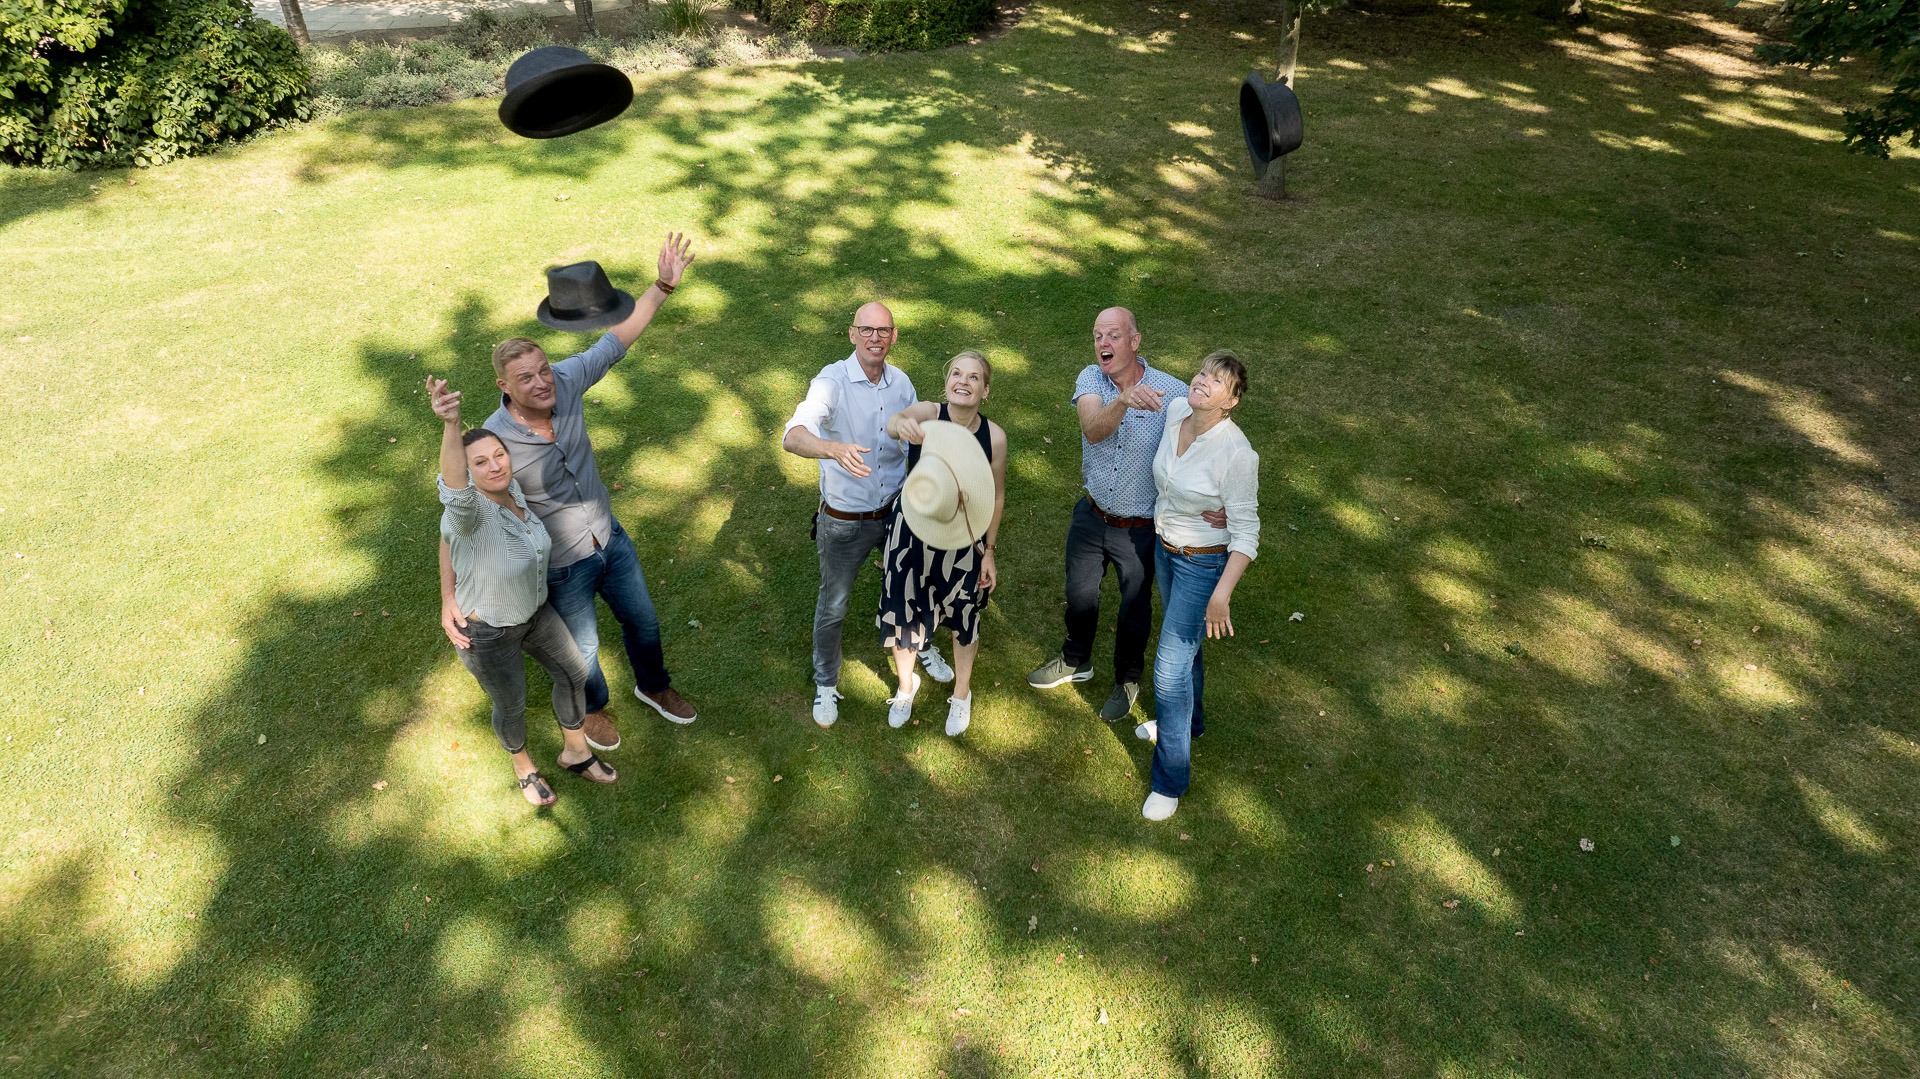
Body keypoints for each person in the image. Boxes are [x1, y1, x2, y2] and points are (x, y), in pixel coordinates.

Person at [442, 234, 701, 749]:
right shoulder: (495, 443)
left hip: (611, 539)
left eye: (542, 370)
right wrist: (448, 594)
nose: (542, 382)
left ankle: (655, 687)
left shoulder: (567, 379)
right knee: (582, 651)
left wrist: (664, 285)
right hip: (561, 562)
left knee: (644, 623)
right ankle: (593, 709)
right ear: (504, 386)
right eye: (526, 378)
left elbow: (616, 341)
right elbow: (457, 519)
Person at [1027, 307, 1223, 721]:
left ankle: (1127, 680)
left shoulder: (1171, 392)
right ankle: (1076, 660)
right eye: (1098, 335)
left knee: (1134, 608)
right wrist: (1123, 400)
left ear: (1135, 341)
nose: (1103, 344)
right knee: (1079, 595)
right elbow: (1093, 429)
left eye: (1114, 335)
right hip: (1092, 515)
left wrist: (1219, 502)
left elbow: (1210, 442)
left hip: (1140, 527)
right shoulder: (1091, 379)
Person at [428, 375, 616, 807]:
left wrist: (445, 593)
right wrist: (451, 425)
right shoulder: (469, 510)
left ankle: (575, 752)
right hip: (487, 631)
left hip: (535, 612)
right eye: (480, 463)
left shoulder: (511, 489)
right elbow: (452, 510)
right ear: (468, 473)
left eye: (499, 455)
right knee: (511, 705)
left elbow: (445, 541)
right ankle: (524, 768)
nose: (495, 466)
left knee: (574, 673)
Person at [782, 302, 956, 728]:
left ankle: (922, 646)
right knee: (834, 605)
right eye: (867, 330)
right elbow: (793, 436)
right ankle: (826, 683)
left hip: (898, 511)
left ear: (894, 336)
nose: (876, 337)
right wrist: (832, 448)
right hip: (845, 519)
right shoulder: (831, 382)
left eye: (884, 330)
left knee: (915, 588)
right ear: (852, 334)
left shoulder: (901, 384)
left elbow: (916, 435)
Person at [1135, 350, 1259, 821]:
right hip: (1165, 551)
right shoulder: (1176, 411)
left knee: (1169, 669)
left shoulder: (1237, 454)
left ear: (1231, 402)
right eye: (1202, 373)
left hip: (1202, 564)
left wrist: (1221, 596)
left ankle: (1170, 779)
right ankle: (1191, 724)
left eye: (1217, 381)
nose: (1203, 383)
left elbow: (1246, 533)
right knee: (1187, 654)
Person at [879, 351, 1007, 736]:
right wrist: (902, 425)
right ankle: (905, 686)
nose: (963, 382)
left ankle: (962, 694)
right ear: (946, 383)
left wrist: (990, 552)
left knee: (963, 619)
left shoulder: (993, 436)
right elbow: (893, 423)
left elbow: (997, 496)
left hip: (962, 539)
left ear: (985, 389)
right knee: (904, 614)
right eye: (956, 374)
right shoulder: (929, 413)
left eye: (973, 377)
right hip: (911, 534)